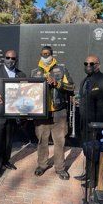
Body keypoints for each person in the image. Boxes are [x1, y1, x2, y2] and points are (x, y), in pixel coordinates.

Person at [31, 46, 74, 180]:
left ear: (52, 55)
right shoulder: (34, 72)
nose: (46, 56)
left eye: (48, 54)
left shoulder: (61, 70)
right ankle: (42, 165)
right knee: (42, 141)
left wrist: (57, 83)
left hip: (59, 112)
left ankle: (60, 168)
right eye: (43, 54)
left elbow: (71, 87)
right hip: (41, 113)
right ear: (40, 55)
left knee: (59, 142)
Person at [0, 50, 26, 177]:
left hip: (13, 113)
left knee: (8, 140)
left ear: (16, 60)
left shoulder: (21, 74)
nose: (10, 60)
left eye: (13, 58)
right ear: (4, 58)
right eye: (8, 57)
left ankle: (6, 161)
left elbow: (24, 93)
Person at [75, 54, 103, 181]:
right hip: (85, 124)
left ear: (98, 65)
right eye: (86, 64)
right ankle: (88, 174)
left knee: (96, 152)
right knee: (88, 150)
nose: (88, 66)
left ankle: (95, 180)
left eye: (91, 64)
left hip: (98, 125)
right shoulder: (85, 81)